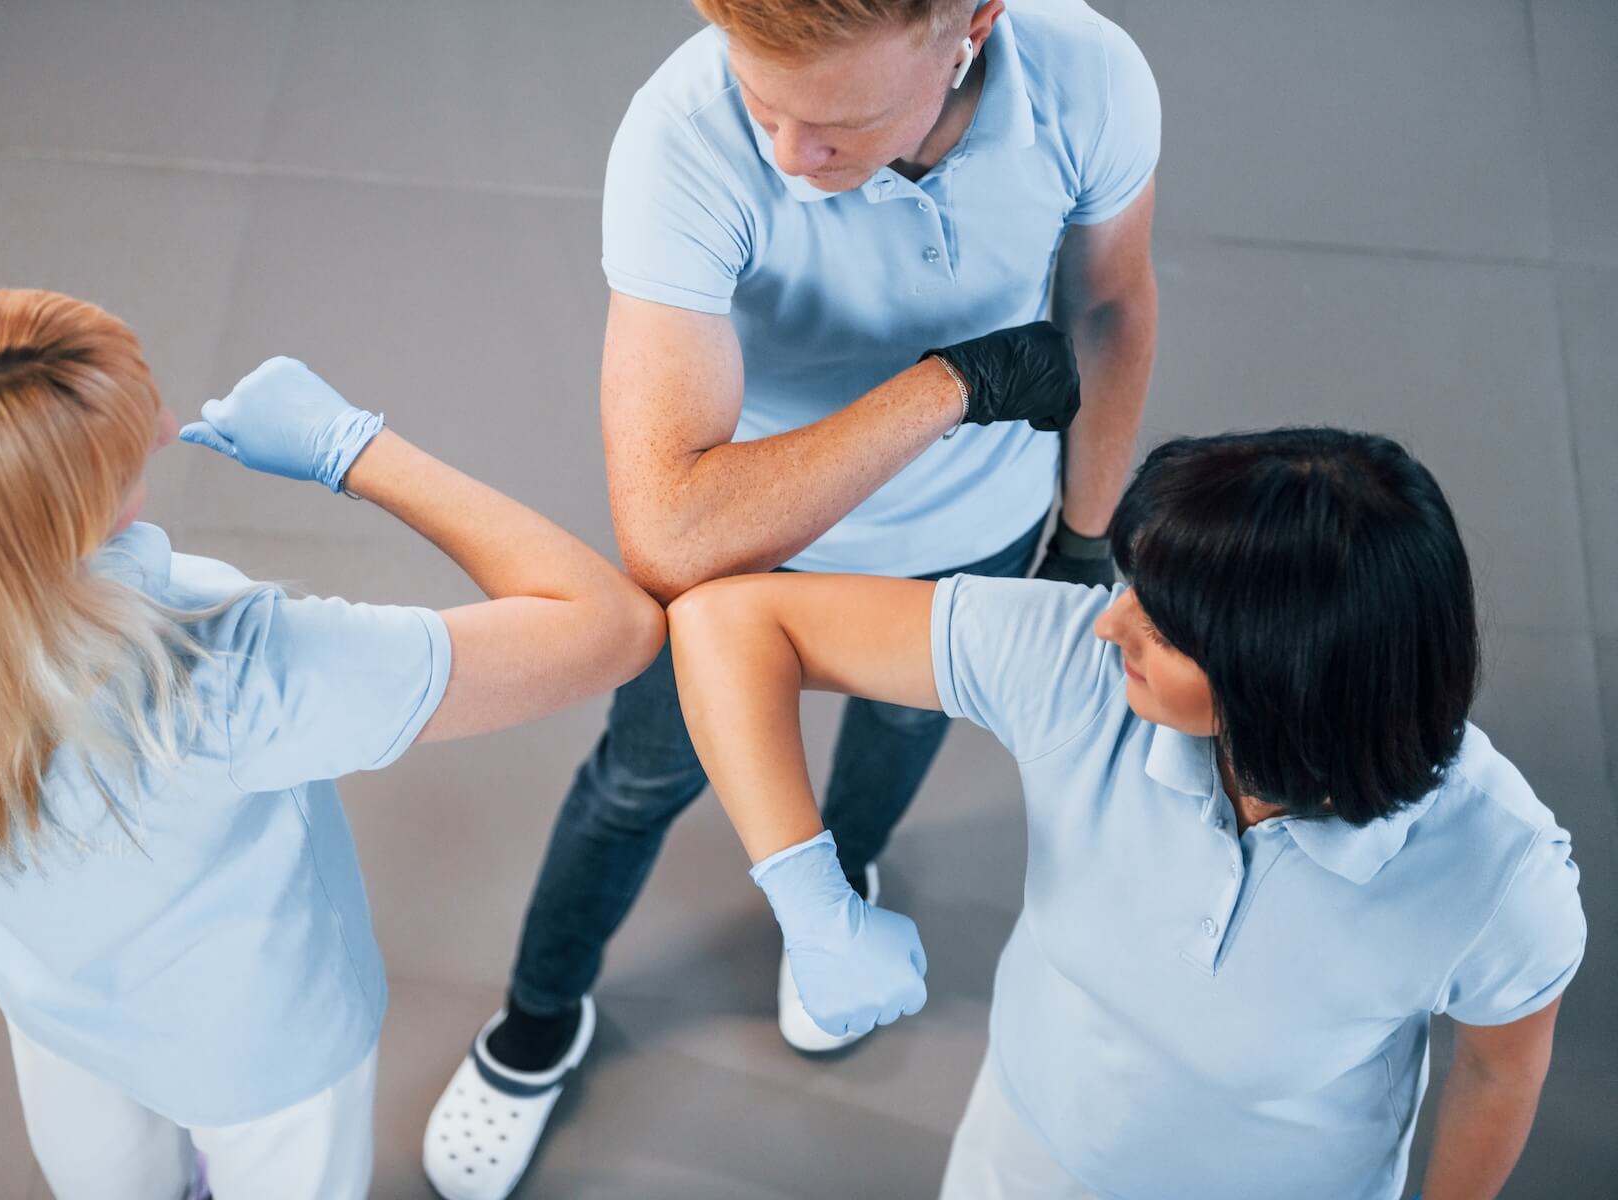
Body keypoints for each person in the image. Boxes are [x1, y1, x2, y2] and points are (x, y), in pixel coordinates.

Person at [426, 1, 1157, 1192]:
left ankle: (845, 876)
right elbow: (671, 533)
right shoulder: (682, 137)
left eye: (838, 123)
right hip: (744, 544)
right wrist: (949, 387)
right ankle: (536, 1019)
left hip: (970, 532)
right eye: (763, 101)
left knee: (902, 730)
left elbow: (1111, 305)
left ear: (971, 26)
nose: (786, 153)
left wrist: (1084, 538)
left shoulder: (1092, 77)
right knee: (640, 778)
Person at [0, 289, 664, 1200]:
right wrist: (355, 449)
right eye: (121, 455)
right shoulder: (219, 671)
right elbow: (612, 628)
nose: (166, 429)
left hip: (53, 1012)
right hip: (258, 1056)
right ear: (46, 527)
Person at [666, 427, 1586, 1200]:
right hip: (1025, 1156)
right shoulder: (1084, 667)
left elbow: (1500, 1070)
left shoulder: (1500, 873)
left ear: (1281, 683)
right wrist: (810, 899)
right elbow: (728, 624)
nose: (1112, 621)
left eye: (1166, 627)